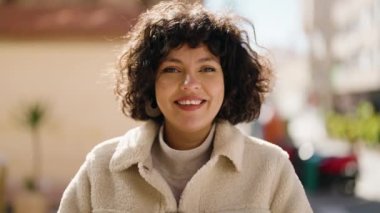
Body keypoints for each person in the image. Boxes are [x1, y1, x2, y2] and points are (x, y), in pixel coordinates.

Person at [58, 1, 312, 212]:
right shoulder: (102, 166)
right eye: (172, 69)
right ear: (149, 82)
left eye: (207, 69)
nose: (190, 83)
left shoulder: (270, 167)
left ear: (230, 82)